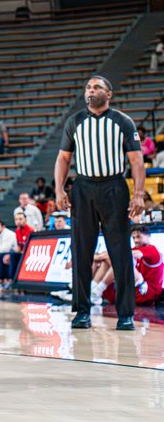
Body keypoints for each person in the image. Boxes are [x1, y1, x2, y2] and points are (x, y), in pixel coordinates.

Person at [55, 76, 146, 331]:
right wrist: (59, 189)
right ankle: (82, 312)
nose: (90, 91)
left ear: (109, 94)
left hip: (114, 187)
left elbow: (137, 161)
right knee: (81, 251)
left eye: (96, 87)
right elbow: (63, 158)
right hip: (83, 188)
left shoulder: (122, 122)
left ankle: (126, 314)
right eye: (88, 87)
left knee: (120, 252)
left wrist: (138, 193)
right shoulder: (75, 121)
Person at [91, 227, 163, 310]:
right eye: (133, 238)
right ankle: (94, 290)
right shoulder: (135, 248)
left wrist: (96, 256)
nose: (135, 240)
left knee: (119, 258)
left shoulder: (152, 250)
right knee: (104, 261)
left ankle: (97, 289)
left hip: (146, 293)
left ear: (148, 237)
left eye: (139, 237)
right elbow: (114, 253)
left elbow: (120, 254)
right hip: (133, 289)